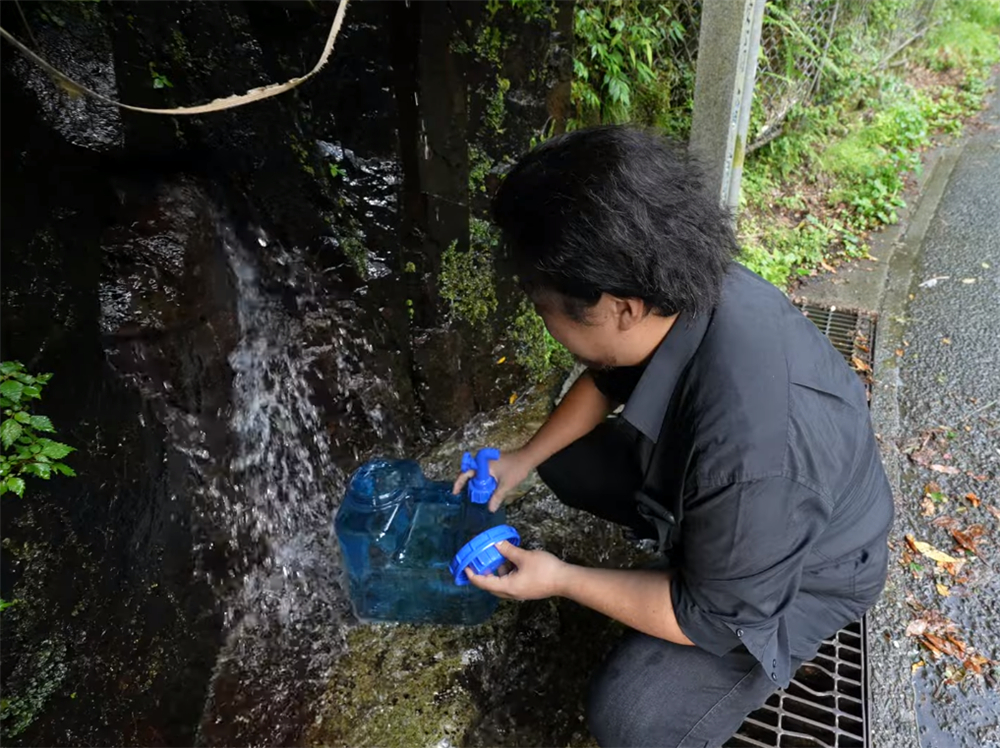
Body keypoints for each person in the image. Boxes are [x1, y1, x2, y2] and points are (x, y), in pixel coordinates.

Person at [452, 126, 894, 748]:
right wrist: (521, 461)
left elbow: (707, 619)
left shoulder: (749, 456)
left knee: (634, 716)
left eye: (541, 303)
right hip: (741, 497)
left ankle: (726, 591)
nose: (540, 315)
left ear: (621, 308)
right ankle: (695, 547)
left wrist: (561, 577)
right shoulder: (676, 286)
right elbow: (608, 375)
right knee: (565, 460)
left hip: (813, 567)